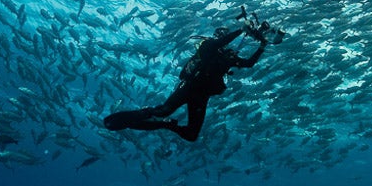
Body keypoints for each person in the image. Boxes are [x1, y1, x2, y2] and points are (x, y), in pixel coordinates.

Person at [103, 24, 269, 142]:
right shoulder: (207, 45)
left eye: (224, 35)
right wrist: (241, 29)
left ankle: (166, 125)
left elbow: (248, 63)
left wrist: (262, 46)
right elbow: (219, 43)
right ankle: (140, 116)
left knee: (191, 135)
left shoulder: (227, 58)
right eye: (221, 35)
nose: (221, 38)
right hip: (188, 87)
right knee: (162, 111)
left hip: (202, 96)